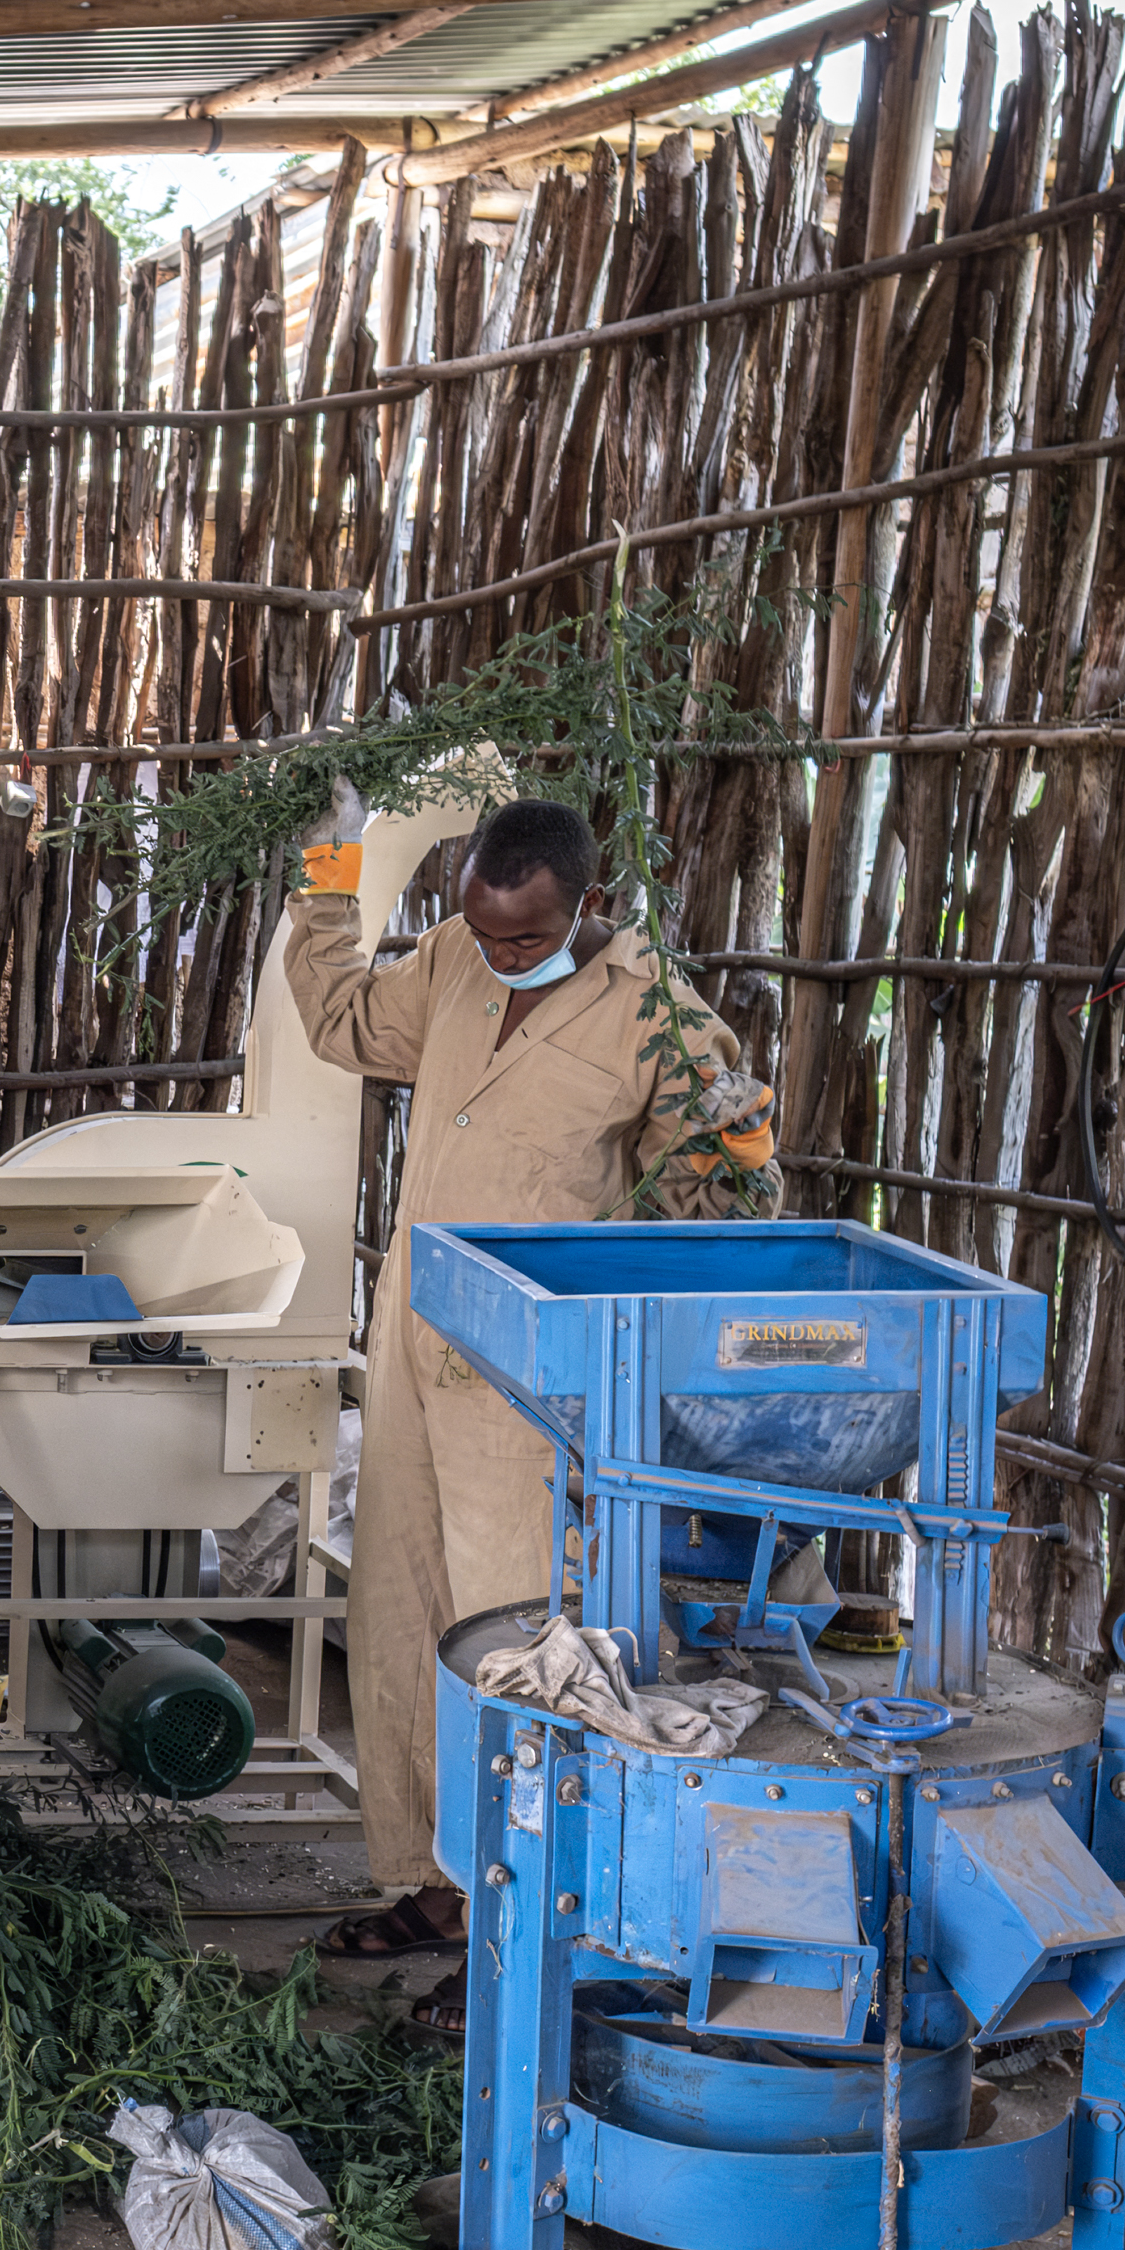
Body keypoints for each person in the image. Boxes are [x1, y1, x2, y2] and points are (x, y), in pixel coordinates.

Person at [284, 788, 777, 2035]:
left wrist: (739, 1140)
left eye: (526, 936)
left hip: (535, 1374)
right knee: (397, 1611)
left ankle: (526, 1915)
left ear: (588, 907)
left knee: (517, 1635)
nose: (500, 954)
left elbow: (713, 1184)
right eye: (485, 931)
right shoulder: (451, 959)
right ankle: (431, 1883)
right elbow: (343, 1021)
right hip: (414, 1339)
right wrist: (328, 873)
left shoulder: (652, 1010)